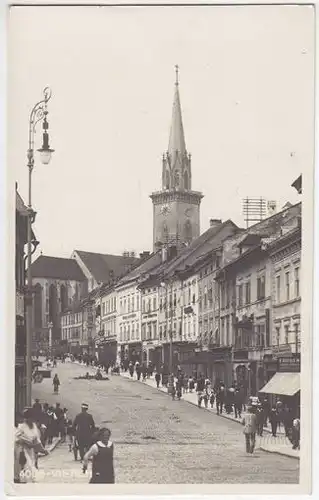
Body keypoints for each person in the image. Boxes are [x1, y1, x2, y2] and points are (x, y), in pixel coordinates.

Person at [15, 408, 48, 482]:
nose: (32, 420)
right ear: (26, 418)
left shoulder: (34, 426)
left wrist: (43, 450)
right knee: (27, 467)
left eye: (34, 419)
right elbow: (16, 438)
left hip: (30, 451)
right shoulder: (21, 427)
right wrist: (25, 441)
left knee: (30, 468)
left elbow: (36, 440)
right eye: (31, 418)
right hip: (21, 450)